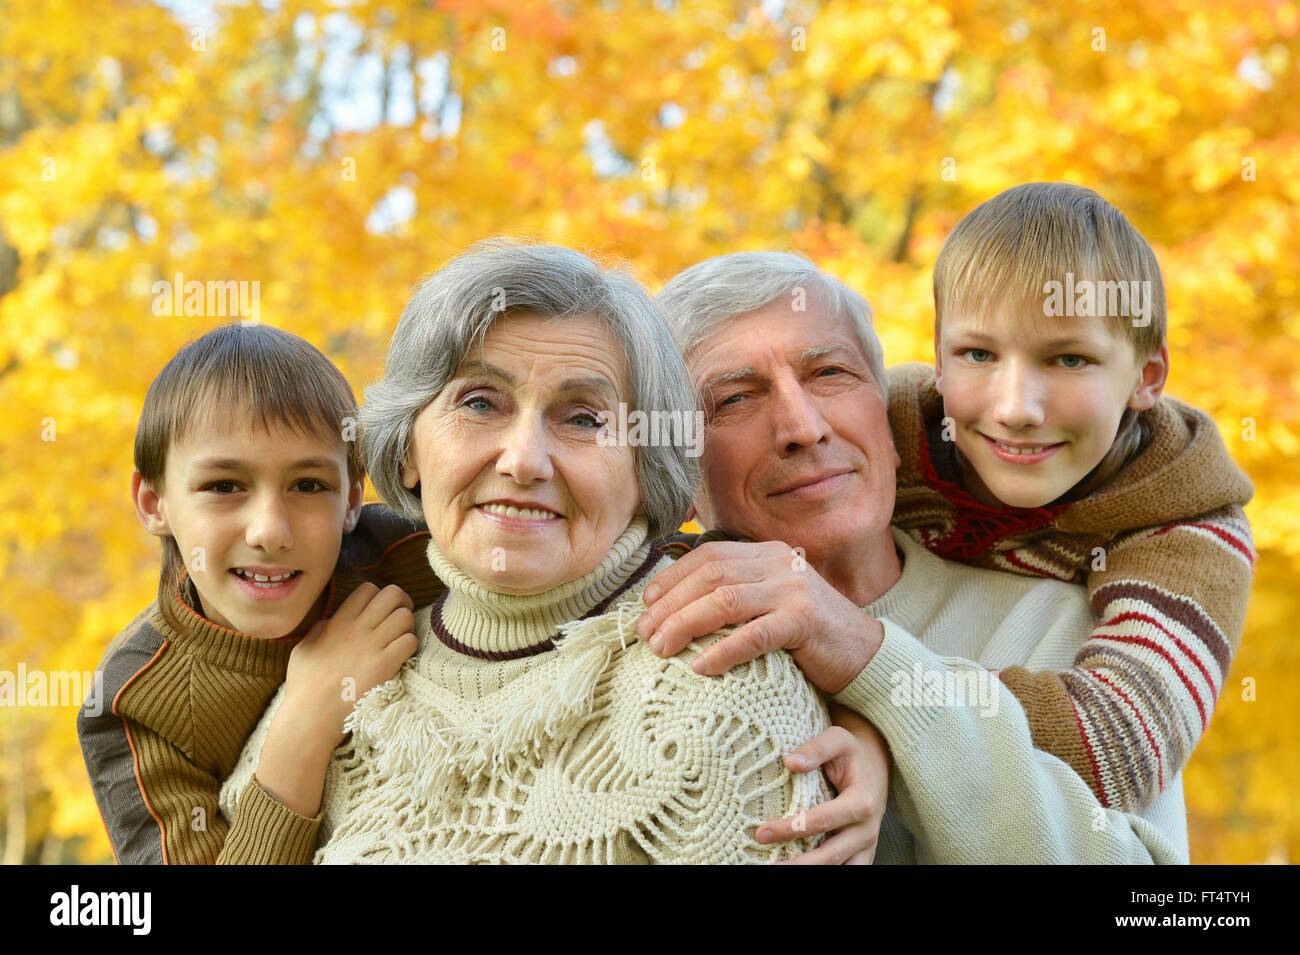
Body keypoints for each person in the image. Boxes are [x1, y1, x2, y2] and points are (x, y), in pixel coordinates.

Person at [217, 241, 835, 863]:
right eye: (480, 402)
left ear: (645, 470)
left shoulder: (724, 685)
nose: (523, 461)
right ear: (406, 449)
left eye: (584, 418)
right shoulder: (330, 680)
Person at [646, 244, 1227, 861]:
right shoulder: (644, 646)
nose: (802, 426)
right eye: (734, 399)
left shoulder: (1066, 625)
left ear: (891, 425)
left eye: (830, 374)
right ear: (680, 475)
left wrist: (872, 668)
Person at [77, 325, 441, 864]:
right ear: (154, 503)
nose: (270, 530)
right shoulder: (132, 700)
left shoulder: (410, 552)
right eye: (225, 487)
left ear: (351, 501)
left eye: (308, 485)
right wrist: (305, 722)